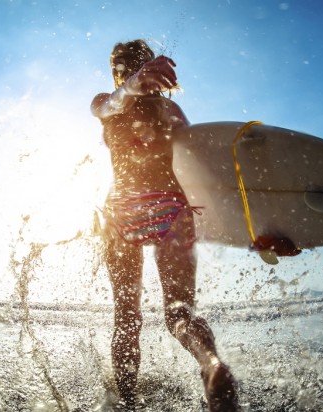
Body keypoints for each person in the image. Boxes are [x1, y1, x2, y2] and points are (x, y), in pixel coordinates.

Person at [90, 40, 239, 411]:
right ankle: (210, 365)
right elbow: (206, 170)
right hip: (172, 209)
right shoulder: (168, 110)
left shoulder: (107, 104)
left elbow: (109, 104)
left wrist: (262, 230)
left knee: (127, 317)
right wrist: (261, 231)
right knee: (179, 313)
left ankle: (126, 404)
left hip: (122, 211)